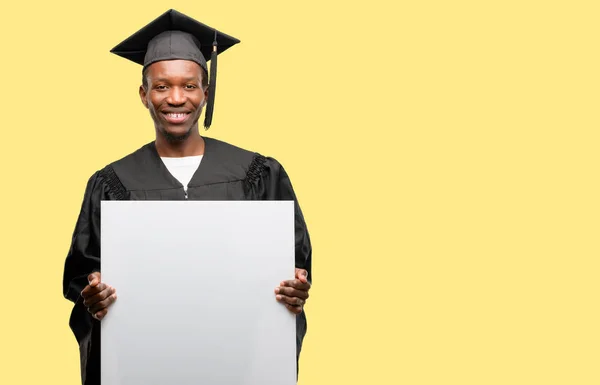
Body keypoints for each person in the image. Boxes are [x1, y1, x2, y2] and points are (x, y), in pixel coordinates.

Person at [62, 9, 312, 385]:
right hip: (143, 366)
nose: (176, 98)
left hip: (239, 366)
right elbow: (81, 275)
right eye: (161, 87)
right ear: (144, 95)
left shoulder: (259, 174)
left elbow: (295, 264)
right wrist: (91, 293)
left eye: (189, 85)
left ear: (205, 92)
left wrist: (296, 288)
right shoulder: (111, 182)